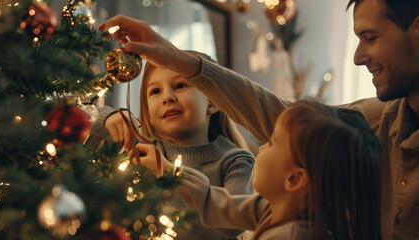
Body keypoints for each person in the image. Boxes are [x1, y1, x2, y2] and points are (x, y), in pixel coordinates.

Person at [98, 1, 419, 236]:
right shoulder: (376, 119)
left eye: (371, 37)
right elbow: (282, 120)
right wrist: (177, 62)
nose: (358, 56)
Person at [132, 100, 382, 239]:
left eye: (272, 143)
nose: (262, 147)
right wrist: (167, 170)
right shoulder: (274, 209)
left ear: (294, 179)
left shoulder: (291, 236)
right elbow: (218, 203)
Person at [89, 54, 255, 240]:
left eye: (180, 86)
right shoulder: (142, 149)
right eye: (155, 92)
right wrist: (108, 118)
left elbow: (236, 222)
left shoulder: (236, 161)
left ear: (212, 101)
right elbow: (69, 119)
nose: (167, 97)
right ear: (149, 113)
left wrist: (169, 172)